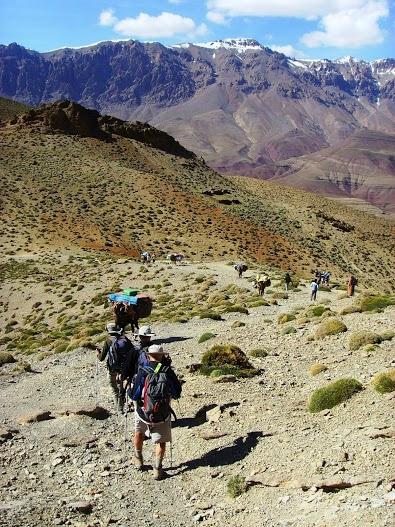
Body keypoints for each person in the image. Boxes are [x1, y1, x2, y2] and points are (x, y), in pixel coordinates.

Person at [131, 344, 182, 480]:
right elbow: (177, 393)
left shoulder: (143, 371)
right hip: (162, 413)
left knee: (138, 433)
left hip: (143, 412)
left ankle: (139, 460)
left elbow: (134, 395)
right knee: (161, 441)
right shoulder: (167, 371)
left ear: (148, 356)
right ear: (162, 356)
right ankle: (158, 469)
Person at [98, 323, 139, 412]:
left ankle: (120, 408)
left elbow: (101, 358)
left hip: (113, 369)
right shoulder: (124, 339)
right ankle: (132, 403)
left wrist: (98, 354)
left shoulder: (108, 341)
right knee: (125, 386)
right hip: (125, 369)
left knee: (114, 387)